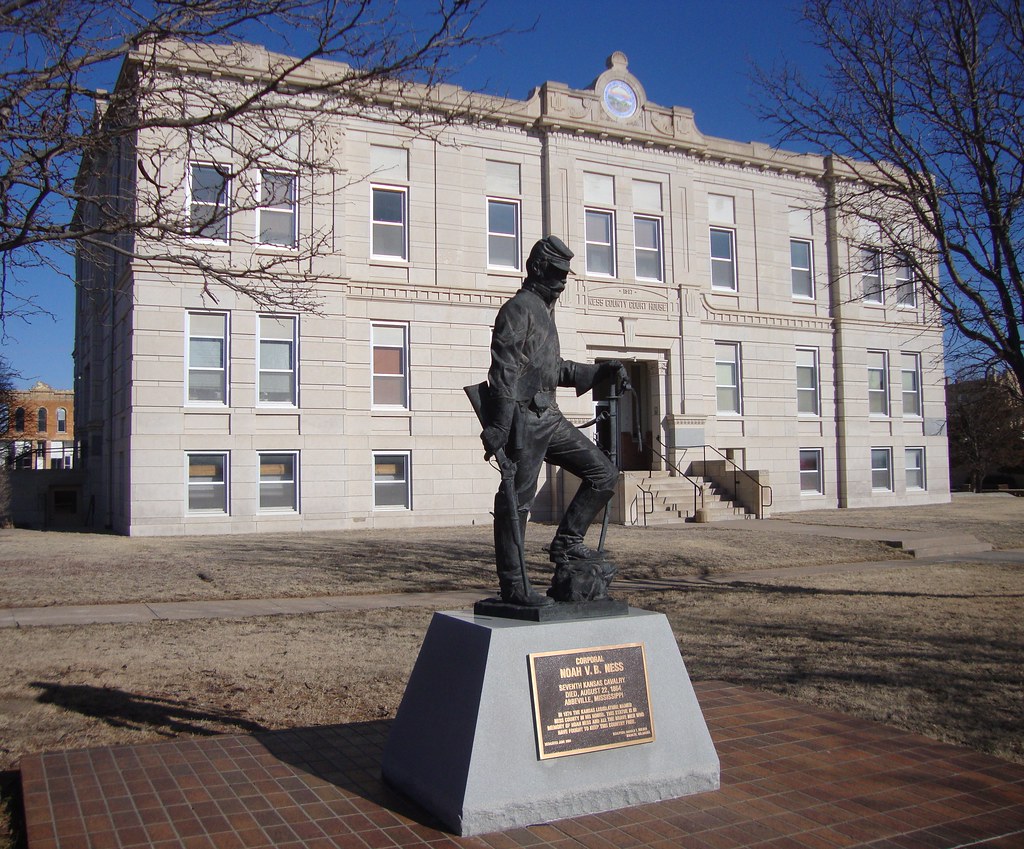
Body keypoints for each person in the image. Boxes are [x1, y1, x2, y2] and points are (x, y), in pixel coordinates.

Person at [481, 235, 628, 606]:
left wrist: (602, 370)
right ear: (536, 269)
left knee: (603, 474)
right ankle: (513, 584)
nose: (561, 282)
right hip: (523, 420)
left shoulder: (544, 313)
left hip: (549, 417)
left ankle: (566, 543)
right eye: (555, 274)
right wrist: (499, 426)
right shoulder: (519, 309)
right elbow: (503, 372)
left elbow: (554, 369)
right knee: (516, 501)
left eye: (565, 275)